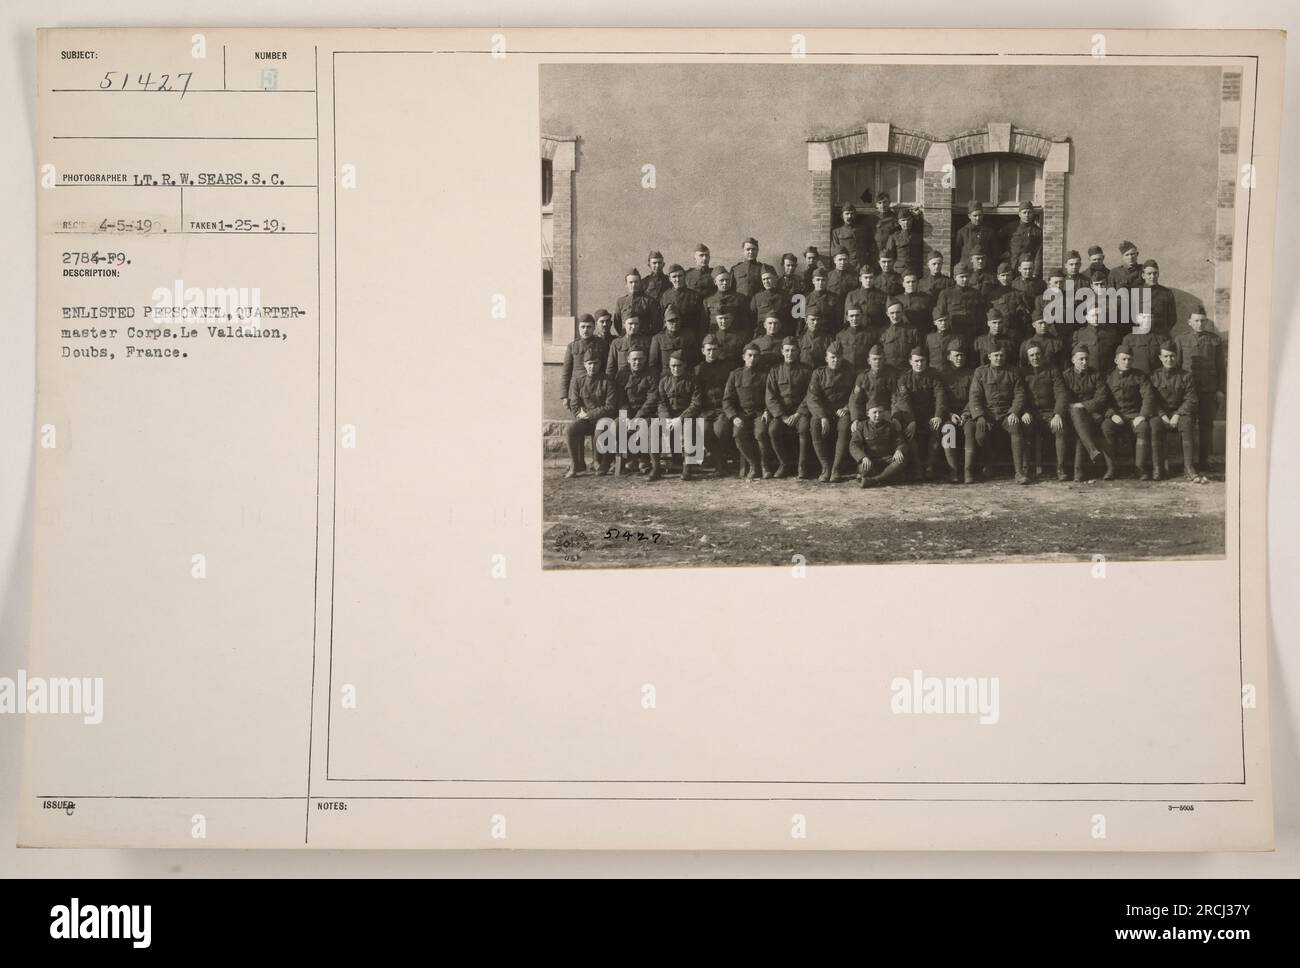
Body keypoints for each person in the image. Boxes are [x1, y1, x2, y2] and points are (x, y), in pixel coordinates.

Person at [1174, 308, 1225, 472]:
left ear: (1207, 321)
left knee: (1206, 425)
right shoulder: (1180, 340)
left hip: (1208, 389)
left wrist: (1220, 390)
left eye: (1203, 320)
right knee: (1187, 424)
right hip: (1188, 391)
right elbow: (1177, 366)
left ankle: (1203, 461)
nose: (1200, 324)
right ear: (1189, 322)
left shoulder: (1215, 340)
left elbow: (1220, 367)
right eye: (1196, 320)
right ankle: (1186, 463)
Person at [969, 344, 1029, 484]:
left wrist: (1014, 412)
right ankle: (988, 463)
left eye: (1001, 355)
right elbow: (975, 396)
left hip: (1006, 414)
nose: (999, 358)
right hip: (988, 414)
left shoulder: (1013, 372)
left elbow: (1019, 394)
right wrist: (980, 416)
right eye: (996, 355)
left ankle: (1019, 472)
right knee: (981, 435)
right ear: (989, 357)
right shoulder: (980, 372)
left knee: (1016, 430)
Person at [1148, 341, 1206, 483]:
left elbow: (1191, 399)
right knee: (1154, 425)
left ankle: (1189, 468)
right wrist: (1162, 415)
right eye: (1166, 356)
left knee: (1187, 423)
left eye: (1172, 356)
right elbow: (1151, 400)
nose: (1169, 359)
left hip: (1179, 414)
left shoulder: (1186, 376)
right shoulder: (1153, 376)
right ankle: (1158, 467)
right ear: (1160, 358)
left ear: (1177, 357)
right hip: (1161, 415)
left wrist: (1177, 414)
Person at [1095, 347, 1155, 480]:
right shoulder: (1108, 377)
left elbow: (1148, 396)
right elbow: (1104, 399)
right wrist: (1111, 414)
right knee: (1106, 427)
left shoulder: (1140, 376)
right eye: (1123, 359)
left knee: (1143, 427)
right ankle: (1111, 468)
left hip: (1135, 415)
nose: (1127, 362)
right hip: (1117, 415)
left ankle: (1139, 468)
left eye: (1129, 359)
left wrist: (1142, 415)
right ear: (1116, 360)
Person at [1059, 347, 1114, 481]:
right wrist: (1076, 408)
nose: (1084, 362)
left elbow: (1101, 398)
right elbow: (1063, 397)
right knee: (1078, 418)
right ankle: (1091, 451)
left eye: (1086, 359)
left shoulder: (1096, 375)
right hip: (1071, 416)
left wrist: (1083, 405)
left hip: (1091, 414)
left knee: (1081, 432)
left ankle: (1079, 472)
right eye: (1081, 359)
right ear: (1073, 360)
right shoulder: (1066, 376)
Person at [805, 340, 857, 483]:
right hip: (824, 412)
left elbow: (855, 394)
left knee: (845, 427)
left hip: (843, 411)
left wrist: (847, 407)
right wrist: (822, 416)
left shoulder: (850, 372)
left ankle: (836, 469)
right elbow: (812, 398)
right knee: (814, 425)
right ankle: (825, 467)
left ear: (843, 357)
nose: (835, 360)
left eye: (838, 357)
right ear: (826, 359)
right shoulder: (818, 373)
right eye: (832, 357)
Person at [723, 342, 775, 479]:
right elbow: (727, 400)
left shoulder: (765, 374)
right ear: (743, 357)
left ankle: (765, 466)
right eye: (749, 355)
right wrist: (734, 417)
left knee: (761, 433)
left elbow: (771, 396)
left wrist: (767, 411)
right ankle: (753, 464)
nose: (753, 358)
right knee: (738, 434)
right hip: (742, 414)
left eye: (756, 356)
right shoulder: (735, 375)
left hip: (759, 413)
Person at [893, 346, 945, 480]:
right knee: (909, 433)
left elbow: (940, 396)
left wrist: (938, 415)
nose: (919, 364)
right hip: (912, 415)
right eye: (916, 361)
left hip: (930, 414)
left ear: (926, 361)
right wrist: (911, 421)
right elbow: (904, 401)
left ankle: (930, 466)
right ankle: (917, 467)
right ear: (910, 361)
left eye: (922, 361)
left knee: (937, 430)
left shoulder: (934, 375)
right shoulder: (904, 378)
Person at [765, 337, 814, 479]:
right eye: (787, 350)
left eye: (793, 350)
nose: (790, 353)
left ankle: (802, 465)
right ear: (782, 352)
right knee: (773, 430)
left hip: (801, 412)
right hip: (782, 414)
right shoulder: (775, 371)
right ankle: (784, 464)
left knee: (804, 429)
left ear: (798, 351)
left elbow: (810, 394)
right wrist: (783, 416)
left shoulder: (806, 370)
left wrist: (799, 413)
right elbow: (770, 396)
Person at [1018, 341, 1068, 480]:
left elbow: (1061, 393)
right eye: (1032, 355)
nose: (1035, 357)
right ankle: (1025, 468)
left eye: (1038, 354)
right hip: (1031, 413)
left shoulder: (1053, 370)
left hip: (1050, 412)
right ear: (1027, 358)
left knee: (1060, 429)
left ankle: (1061, 468)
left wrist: (1058, 413)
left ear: (1043, 355)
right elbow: (1019, 395)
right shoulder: (1023, 373)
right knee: (1024, 427)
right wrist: (1024, 412)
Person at [565, 347, 617, 477]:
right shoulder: (579, 381)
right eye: (589, 363)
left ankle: (599, 462)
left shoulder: (608, 381)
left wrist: (590, 414)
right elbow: (575, 403)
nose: (592, 367)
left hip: (603, 419)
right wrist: (580, 415)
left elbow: (610, 406)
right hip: (586, 420)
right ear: (584, 364)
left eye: (595, 363)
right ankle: (575, 464)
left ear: (600, 364)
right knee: (571, 429)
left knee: (601, 427)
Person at [650, 350, 700, 481]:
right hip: (669, 417)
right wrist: (666, 419)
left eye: (679, 366)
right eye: (673, 366)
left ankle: (687, 468)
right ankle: (656, 469)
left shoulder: (693, 381)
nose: (676, 369)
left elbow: (696, 403)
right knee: (654, 428)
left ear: (684, 366)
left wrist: (681, 418)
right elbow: (661, 402)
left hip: (687, 416)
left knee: (690, 429)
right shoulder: (664, 381)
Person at [936, 339, 978, 484]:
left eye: (962, 356)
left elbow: (974, 397)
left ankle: (968, 470)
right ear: (949, 357)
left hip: (968, 413)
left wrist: (966, 413)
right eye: (956, 355)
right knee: (948, 429)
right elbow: (940, 399)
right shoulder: (941, 374)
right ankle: (953, 470)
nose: (959, 358)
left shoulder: (972, 374)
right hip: (949, 414)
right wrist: (949, 414)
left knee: (970, 429)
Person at [693, 335, 735, 476]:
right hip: (705, 410)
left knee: (721, 430)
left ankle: (719, 460)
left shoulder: (727, 368)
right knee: (704, 431)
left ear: (719, 350)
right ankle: (719, 462)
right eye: (709, 350)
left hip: (722, 409)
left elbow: (731, 391)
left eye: (715, 349)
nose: (712, 353)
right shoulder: (698, 370)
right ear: (703, 351)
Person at [614, 348, 659, 474]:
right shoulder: (622, 374)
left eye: (640, 359)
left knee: (645, 425)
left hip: (646, 412)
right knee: (617, 424)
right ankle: (625, 459)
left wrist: (637, 417)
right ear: (628, 359)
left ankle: (643, 459)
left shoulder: (652, 374)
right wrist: (627, 416)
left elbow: (652, 399)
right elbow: (620, 399)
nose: (637, 362)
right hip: (627, 412)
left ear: (645, 360)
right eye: (634, 359)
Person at [851, 394, 909, 488]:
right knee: (864, 469)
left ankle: (874, 480)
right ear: (867, 414)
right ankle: (885, 477)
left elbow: (900, 442)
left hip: (887, 459)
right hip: (869, 460)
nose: (878, 415)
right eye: (874, 412)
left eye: (880, 412)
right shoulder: (862, 426)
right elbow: (853, 445)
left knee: (901, 461)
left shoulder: (890, 426)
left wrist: (899, 450)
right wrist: (863, 457)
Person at [561, 313, 602, 412]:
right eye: (582, 327)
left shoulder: (602, 344)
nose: (585, 330)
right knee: (580, 420)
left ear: (594, 328)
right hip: (579, 390)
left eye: (589, 327)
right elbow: (566, 372)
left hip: (597, 389)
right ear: (578, 328)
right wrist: (564, 396)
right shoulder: (572, 346)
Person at [935, 261, 985, 339]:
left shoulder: (975, 293)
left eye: (967, 276)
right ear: (955, 277)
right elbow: (940, 314)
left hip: (972, 333)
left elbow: (980, 315)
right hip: (953, 333)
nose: (965, 279)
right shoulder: (946, 293)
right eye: (962, 277)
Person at [648, 306, 697, 382]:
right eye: (671, 321)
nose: (674, 323)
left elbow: (695, 358)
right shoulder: (658, 338)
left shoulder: (688, 335)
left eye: (677, 320)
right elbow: (653, 364)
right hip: (666, 379)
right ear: (665, 322)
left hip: (686, 377)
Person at [660, 263, 707, 337]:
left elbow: (701, 320)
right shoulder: (665, 295)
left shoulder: (694, 295)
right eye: (674, 277)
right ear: (669, 279)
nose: (677, 279)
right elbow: (663, 319)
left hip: (690, 336)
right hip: (672, 335)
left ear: (685, 276)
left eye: (680, 276)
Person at [613, 269, 661, 337]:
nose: (633, 285)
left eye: (636, 282)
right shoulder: (621, 302)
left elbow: (656, 323)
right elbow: (617, 323)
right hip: (626, 339)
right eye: (631, 282)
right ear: (626, 284)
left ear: (640, 283)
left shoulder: (649, 301)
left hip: (644, 339)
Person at [832, 202, 874, 273]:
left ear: (855, 215)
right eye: (847, 214)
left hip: (862, 265)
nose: (849, 216)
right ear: (842, 216)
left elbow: (870, 247)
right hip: (846, 265)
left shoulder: (863, 229)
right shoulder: (836, 231)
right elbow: (835, 252)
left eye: (852, 214)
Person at [955, 200, 999, 267]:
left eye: (980, 215)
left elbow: (994, 253)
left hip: (985, 269)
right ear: (969, 216)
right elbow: (957, 253)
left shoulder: (990, 232)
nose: (978, 218)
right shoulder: (962, 232)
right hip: (968, 269)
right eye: (975, 215)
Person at [749, 267, 790, 338]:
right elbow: (751, 318)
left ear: (776, 278)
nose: (766, 282)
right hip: (761, 336)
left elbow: (791, 319)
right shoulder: (757, 297)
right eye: (763, 279)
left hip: (782, 336)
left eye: (769, 278)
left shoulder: (785, 296)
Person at [731, 237, 776, 301]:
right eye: (748, 249)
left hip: (759, 304)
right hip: (740, 305)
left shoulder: (764, 268)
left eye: (753, 249)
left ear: (757, 251)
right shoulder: (735, 269)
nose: (751, 252)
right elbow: (731, 290)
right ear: (743, 251)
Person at [879, 300, 920, 370]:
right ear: (887, 314)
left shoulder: (912, 330)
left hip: (906, 371)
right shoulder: (883, 331)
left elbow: (917, 352)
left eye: (898, 312)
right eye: (892, 313)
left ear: (903, 312)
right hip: (888, 371)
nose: (895, 316)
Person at [885, 207, 925, 278]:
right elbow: (889, 255)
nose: (906, 222)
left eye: (908, 220)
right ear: (899, 222)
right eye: (903, 220)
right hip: (899, 271)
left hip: (915, 270)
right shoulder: (894, 237)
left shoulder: (918, 236)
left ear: (912, 220)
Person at [1007, 200, 1042, 277]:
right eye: (1024, 212)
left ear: (1032, 214)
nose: (1027, 215)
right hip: (1013, 265)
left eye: (1029, 212)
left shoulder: (1036, 231)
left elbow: (1038, 253)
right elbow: (999, 241)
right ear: (1019, 214)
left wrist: (1035, 271)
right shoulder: (1011, 227)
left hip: (1027, 267)